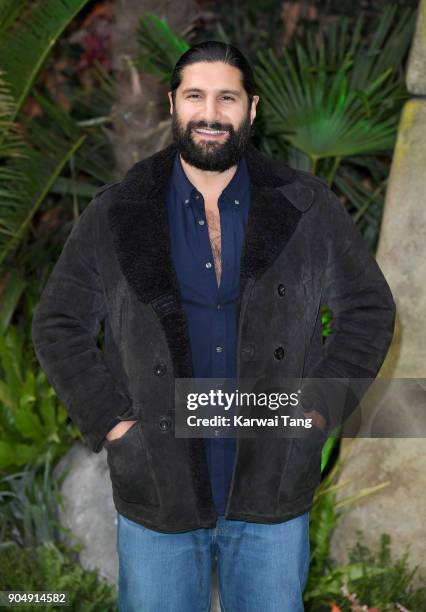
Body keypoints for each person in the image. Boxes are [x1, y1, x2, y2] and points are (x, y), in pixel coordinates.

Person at [32, 41, 396, 611]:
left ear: (251, 110)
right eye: (195, 96)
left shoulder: (306, 207)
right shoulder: (117, 213)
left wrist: (318, 410)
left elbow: (368, 310)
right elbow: (58, 324)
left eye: (226, 98)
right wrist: (113, 425)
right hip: (158, 482)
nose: (210, 113)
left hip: (271, 483)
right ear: (172, 104)